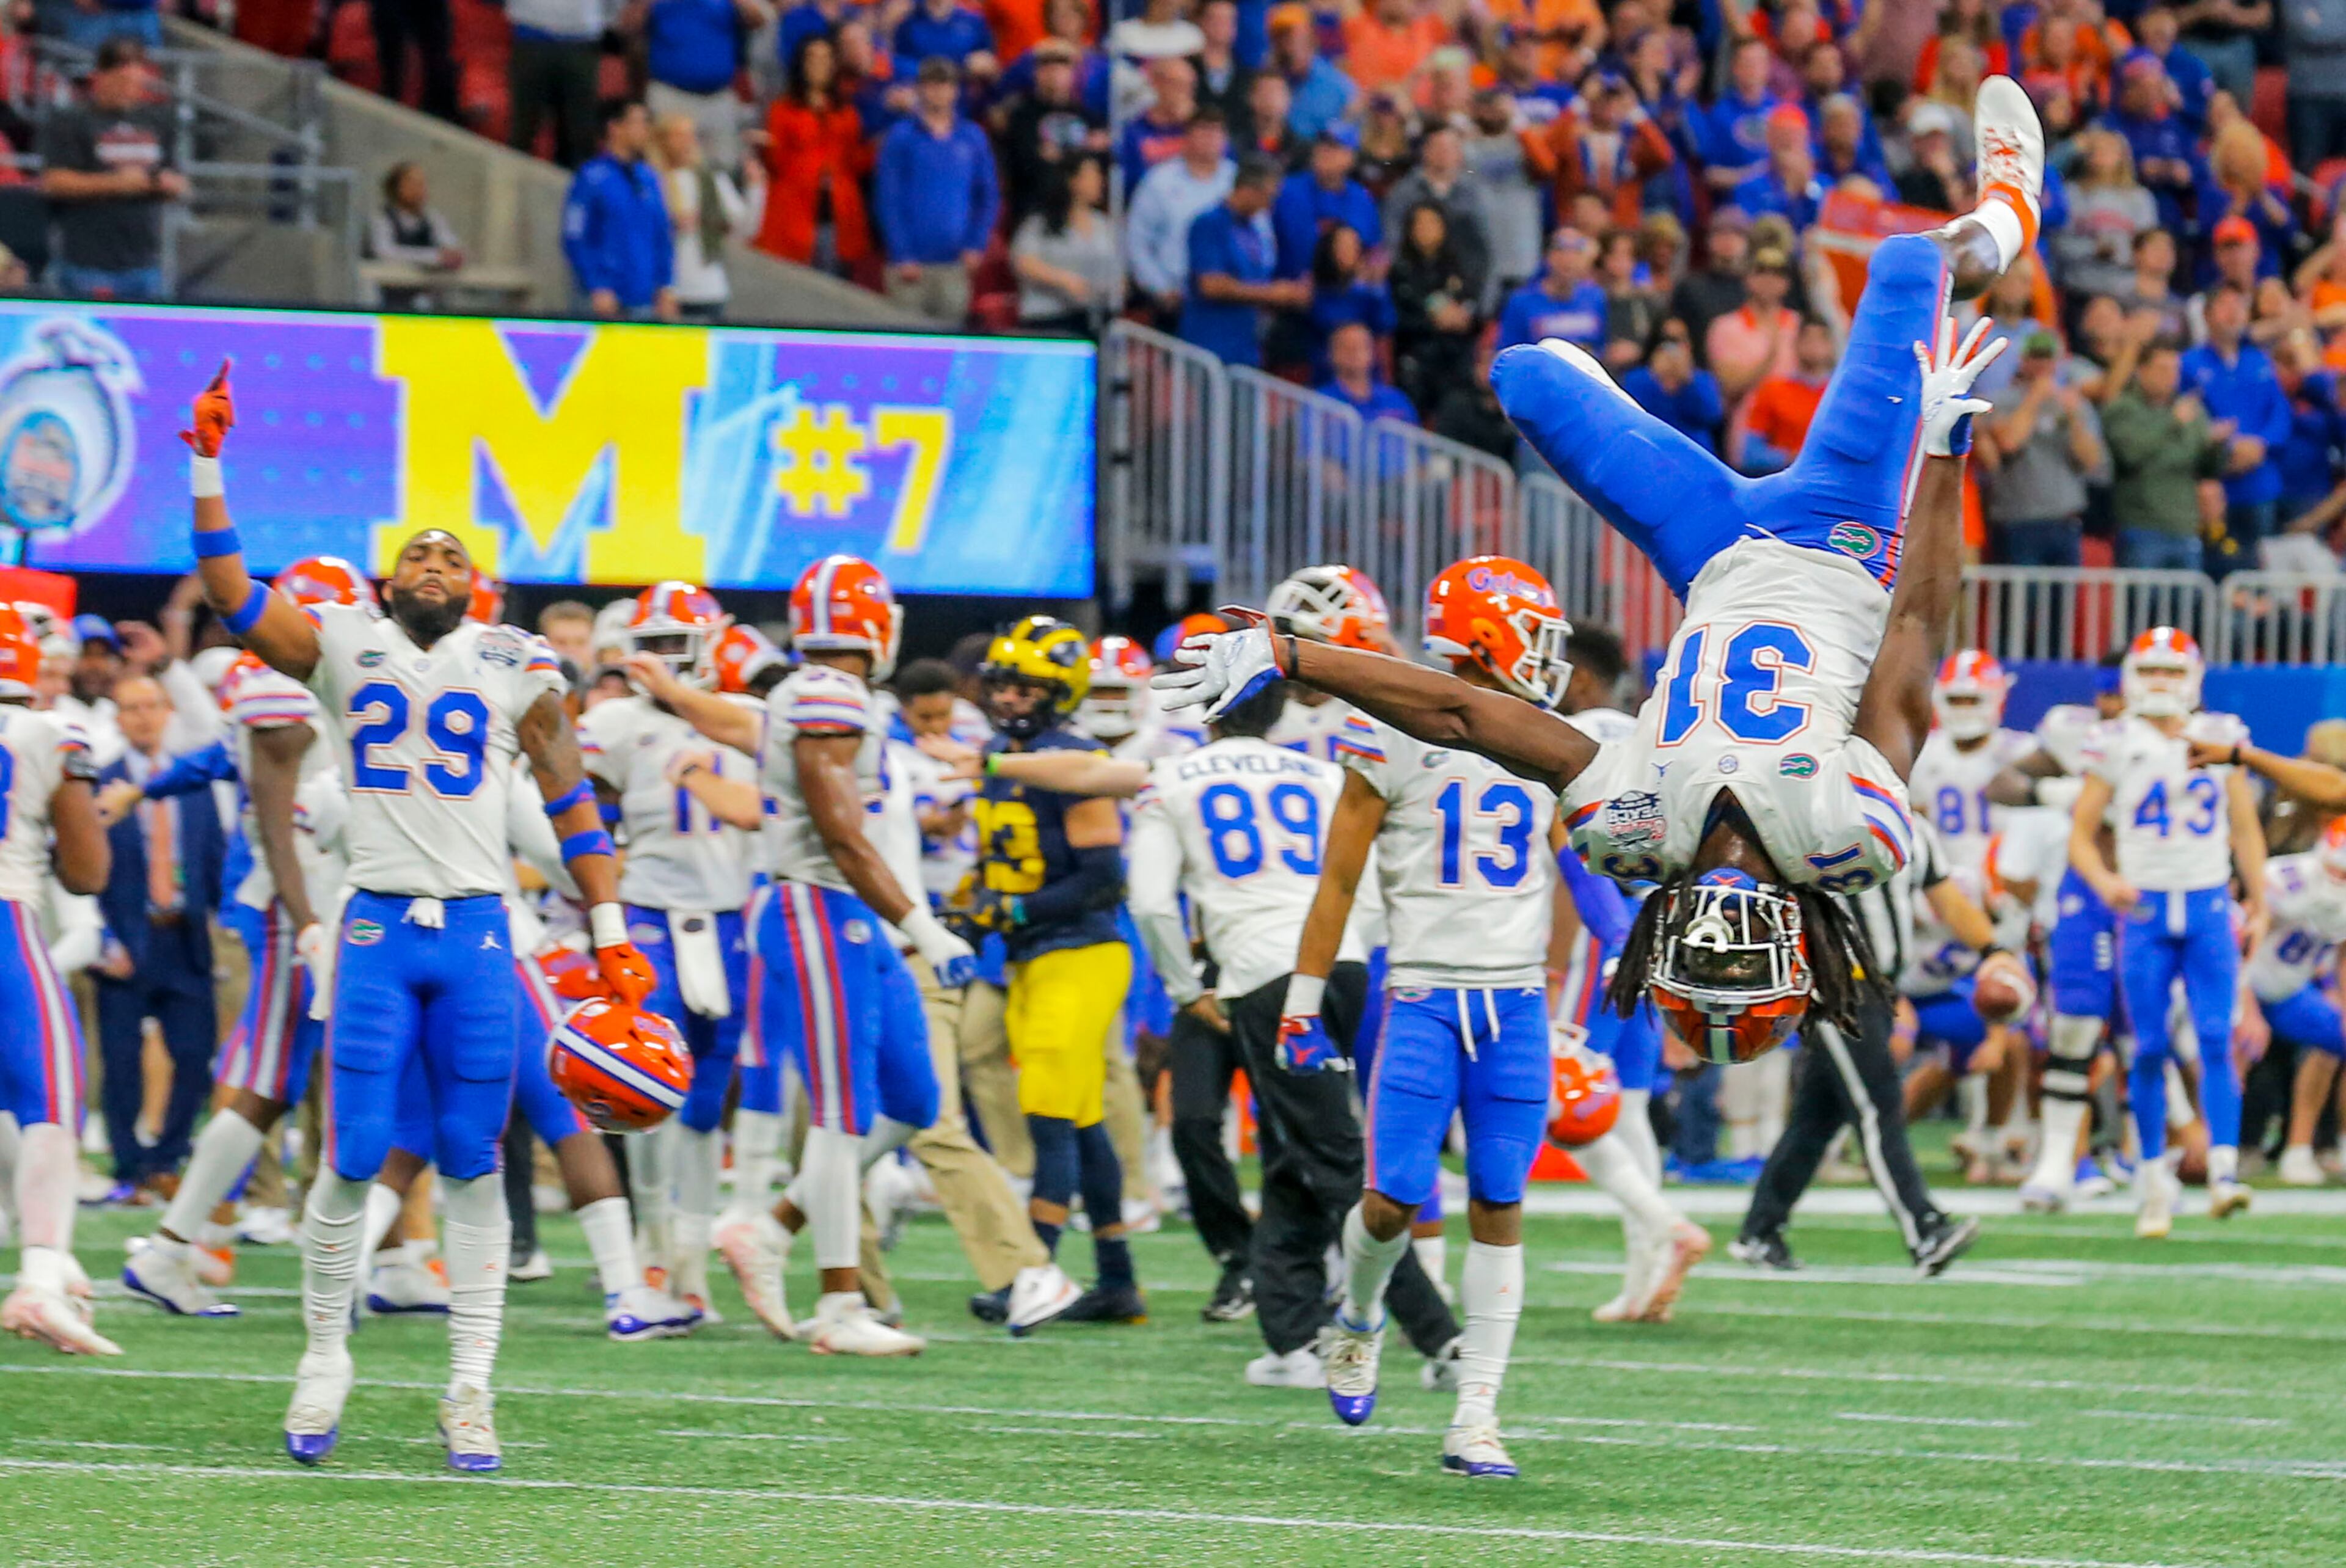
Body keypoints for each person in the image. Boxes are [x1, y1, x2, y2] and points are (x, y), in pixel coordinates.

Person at [1158, 77, 2044, 1075]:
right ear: (1795, 952)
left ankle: (1631, 399)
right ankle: (2011, 212)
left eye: (1699, 962)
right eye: (1741, 964)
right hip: (1846, 539)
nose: (1719, 941)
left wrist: (1290, 651)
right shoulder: (1847, 836)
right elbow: (1915, 635)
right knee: (1906, 261)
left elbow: (1462, 717)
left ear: (1664, 947)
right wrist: (1941, 457)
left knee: (1526, 376)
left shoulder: (1629, 829)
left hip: (1711, 554)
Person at [182, 363, 662, 1470]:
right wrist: (208, 463)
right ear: (387, 579)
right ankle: (321, 1355)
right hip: (378, 930)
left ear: (478, 583)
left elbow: (570, 800)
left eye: (450, 554)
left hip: (484, 932)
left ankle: (471, 1387)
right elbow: (230, 591)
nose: (431, 562)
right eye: (415, 552)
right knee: (351, 1151)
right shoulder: (344, 640)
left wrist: (612, 933)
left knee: (473, 1159)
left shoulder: (514, 662)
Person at [608, 555, 981, 1352]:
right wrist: (927, 925)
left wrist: (675, 693)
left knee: (911, 1100)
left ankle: (770, 1228)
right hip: (820, 903)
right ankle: (841, 1303)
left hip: (852, 915)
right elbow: (843, 839)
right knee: (843, 1114)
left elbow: (742, 723)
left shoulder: (813, 695)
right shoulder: (821, 697)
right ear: (879, 625)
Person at [1122, 677, 1466, 1388]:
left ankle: (1438, 1337)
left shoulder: (1169, 777)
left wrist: (1187, 991)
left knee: (1335, 1158)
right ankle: (1290, 1333)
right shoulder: (1317, 772)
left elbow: (1152, 903)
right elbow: (1362, 885)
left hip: (1262, 972)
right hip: (1337, 966)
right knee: (1293, 1156)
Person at [117, 561, 365, 1319]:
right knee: (267, 1081)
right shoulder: (279, 685)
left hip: (325, 903)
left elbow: (215, 762)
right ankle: (176, 1243)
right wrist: (312, 919)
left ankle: (344, 1253)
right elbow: (277, 810)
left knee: (299, 1080)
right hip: (298, 907)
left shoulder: (313, 685)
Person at [572, 584, 756, 1322]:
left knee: (708, 1098)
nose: (664, 662)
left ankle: (690, 1268)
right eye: (654, 645)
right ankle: (652, 1255)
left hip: (728, 915)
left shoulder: (750, 721)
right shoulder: (615, 719)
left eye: (679, 645)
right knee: (644, 1085)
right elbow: (559, 789)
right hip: (649, 908)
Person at [967, 616, 1148, 1330]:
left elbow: (1103, 880)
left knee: (1047, 1117)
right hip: (1036, 954)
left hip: (1080, 951)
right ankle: (1117, 1280)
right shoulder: (997, 751)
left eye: (1024, 686)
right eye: (1001, 683)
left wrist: (1011, 910)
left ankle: (1033, 1274)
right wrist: (981, 909)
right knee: (1081, 1120)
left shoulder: (1075, 760)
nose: (1007, 697)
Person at [2067, 629, 2265, 1237]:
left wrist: (2258, 898)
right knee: (2148, 1045)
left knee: (2214, 1034)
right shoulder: (2114, 740)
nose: (2159, 681)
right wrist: (2106, 883)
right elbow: (2080, 833)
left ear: (2195, 675)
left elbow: (2245, 827)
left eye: (2169, 670)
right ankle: (2154, 1180)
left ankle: (2226, 1172)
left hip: (2206, 900)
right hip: (2147, 906)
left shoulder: (2221, 734)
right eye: (2148, 669)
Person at [0, 606, 115, 1355]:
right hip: (6, 921)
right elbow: (88, 871)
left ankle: (52, 1261)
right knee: (51, 1098)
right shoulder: (47, 734)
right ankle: (40, 1275)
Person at [89, 675, 223, 1204]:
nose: (143, 716)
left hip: (183, 936)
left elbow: (210, 853)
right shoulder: (98, 781)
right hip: (125, 937)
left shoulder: (193, 782)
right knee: (121, 1062)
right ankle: (131, 1168)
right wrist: (100, 934)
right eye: (130, 707)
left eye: (151, 706)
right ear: (117, 717)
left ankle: (167, 1159)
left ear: (168, 711)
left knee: (194, 1056)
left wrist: (216, 918)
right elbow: (78, 864)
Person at [37, 37, 185, 303]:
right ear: (101, 77)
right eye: (123, 80)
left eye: (137, 80)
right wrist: (120, 183)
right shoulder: (71, 120)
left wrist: (163, 185)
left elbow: (176, 180)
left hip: (144, 260)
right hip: (88, 260)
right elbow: (54, 182)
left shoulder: (158, 120)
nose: (131, 88)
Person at [2240, 818, 2346, 1185]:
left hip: (2290, 991)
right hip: (2245, 985)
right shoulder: (2285, 876)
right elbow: (2238, 938)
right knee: (2232, 1047)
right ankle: (2217, 1148)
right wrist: (2246, 1005)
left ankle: (2299, 1150)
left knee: (2336, 1039)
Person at [873, 57, 1000, 326]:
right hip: (910, 266)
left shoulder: (972, 137)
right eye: (932, 85)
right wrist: (902, 253)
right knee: (905, 340)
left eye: (945, 85)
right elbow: (888, 197)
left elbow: (987, 196)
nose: (939, 92)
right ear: (920, 89)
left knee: (951, 338)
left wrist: (976, 244)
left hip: (955, 263)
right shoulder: (901, 136)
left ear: (956, 90)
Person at [2183, 283, 2293, 573]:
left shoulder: (2259, 360)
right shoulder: (2189, 363)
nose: (2233, 313)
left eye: (2240, 306)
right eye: (2225, 306)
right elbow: (2187, 417)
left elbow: (2280, 412)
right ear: (2207, 316)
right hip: (2214, 489)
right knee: (2214, 566)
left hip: (2260, 485)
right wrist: (2229, 447)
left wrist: (2261, 444)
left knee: (2261, 569)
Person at [2102, 340, 2233, 570]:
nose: (2171, 376)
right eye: (2163, 369)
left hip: (2185, 527)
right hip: (2141, 527)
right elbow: (2130, 454)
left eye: (2175, 370)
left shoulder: (2192, 410)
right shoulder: (2122, 409)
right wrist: (2171, 422)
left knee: (2186, 604)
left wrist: (2216, 446)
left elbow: (2209, 470)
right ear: (2141, 370)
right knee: (2141, 603)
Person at [1982, 329, 2108, 566]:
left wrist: (2074, 419)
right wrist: (2035, 398)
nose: (2042, 364)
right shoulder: (2002, 401)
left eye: (2047, 358)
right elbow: (2009, 443)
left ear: (2058, 362)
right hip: (2019, 521)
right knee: (2020, 601)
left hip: (2066, 521)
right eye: (2036, 357)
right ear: (2024, 360)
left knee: (2064, 601)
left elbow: (2092, 461)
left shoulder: (2073, 404)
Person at [755, 34, 871, 276]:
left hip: (837, 215)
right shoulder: (783, 109)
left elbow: (854, 163)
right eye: (813, 58)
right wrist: (763, 149)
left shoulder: (846, 111)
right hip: (794, 212)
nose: (819, 65)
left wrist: (878, 149)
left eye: (826, 58)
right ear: (802, 63)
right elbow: (776, 162)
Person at [562, 100, 680, 322]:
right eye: (639, 123)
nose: (645, 130)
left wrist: (666, 284)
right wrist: (596, 285)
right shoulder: (591, 178)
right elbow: (576, 237)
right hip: (605, 298)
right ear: (615, 128)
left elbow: (661, 235)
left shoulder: (648, 178)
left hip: (644, 297)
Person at [1181, 154, 1303, 368]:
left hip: (1246, 348)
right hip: (1211, 348)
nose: (1271, 205)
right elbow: (1211, 285)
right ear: (1247, 190)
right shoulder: (1209, 225)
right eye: (1269, 197)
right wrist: (1272, 293)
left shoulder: (1256, 229)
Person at [1124, 109, 1235, 326]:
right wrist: (1160, 288)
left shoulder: (1235, 181)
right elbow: (1136, 240)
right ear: (1187, 137)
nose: (1210, 139)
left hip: (1229, 298)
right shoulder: (1159, 181)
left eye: (1216, 133)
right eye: (1204, 131)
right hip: (1173, 299)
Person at [651, 112, 761, 322]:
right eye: (678, 135)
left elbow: (746, 228)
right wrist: (670, 225)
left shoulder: (712, 180)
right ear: (663, 139)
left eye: (690, 136)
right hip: (667, 291)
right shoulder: (651, 181)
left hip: (708, 289)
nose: (686, 143)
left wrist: (755, 190)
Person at [640, 0, 770, 170]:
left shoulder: (723, 4)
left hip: (719, 97)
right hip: (672, 94)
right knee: (671, 168)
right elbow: (627, 26)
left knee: (724, 168)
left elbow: (760, 21)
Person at [1010, 153, 1117, 336]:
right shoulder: (1040, 224)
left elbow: (1118, 269)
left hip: (1094, 318)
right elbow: (1024, 262)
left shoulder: (1104, 225)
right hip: (1048, 317)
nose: (1100, 181)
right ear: (1072, 181)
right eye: (1093, 175)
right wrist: (1065, 280)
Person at [506, 0, 606, 167]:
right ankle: (509, 185)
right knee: (524, 127)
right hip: (531, 34)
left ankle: (579, 188)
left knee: (579, 134)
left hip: (581, 40)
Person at [366, 161, 466, 311]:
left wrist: (452, 254)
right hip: (389, 300)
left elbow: (450, 245)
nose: (419, 190)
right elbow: (385, 253)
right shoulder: (382, 218)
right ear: (396, 187)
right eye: (412, 183)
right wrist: (433, 257)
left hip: (427, 301)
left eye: (422, 184)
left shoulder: (432, 218)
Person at [1496, 225, 1605, 353]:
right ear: (1548, 257)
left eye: (1576, 252)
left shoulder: (1596, 297)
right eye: (1561, 251)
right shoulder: (1522, 302)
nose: (1568, 259)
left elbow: (1605, 347)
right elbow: (1508, 353)